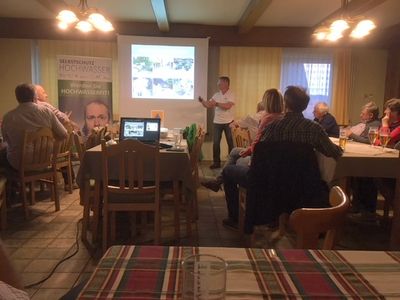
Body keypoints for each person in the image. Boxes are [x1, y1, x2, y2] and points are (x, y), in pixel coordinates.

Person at [221, 86, 342, 230]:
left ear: (286, 104)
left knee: (228, 170)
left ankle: (235, 218)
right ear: (304, 106)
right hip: (301, 184)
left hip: (271, 183)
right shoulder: (314, 129)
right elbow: (333, 152)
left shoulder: (273, 128)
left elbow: (259, 152)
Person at [201, 88, 283, 192]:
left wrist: (248, 150)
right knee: (235, 151)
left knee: (231, 166)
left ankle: (224, 190)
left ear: (267, 102)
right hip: (275, 161)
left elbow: (258, 144)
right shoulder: (283, 118)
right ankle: (217, 182)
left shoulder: (266, 119)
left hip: (259, 161)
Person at [1, 83, 67, 171]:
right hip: (45, 160)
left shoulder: (8, 117)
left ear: (17, 98)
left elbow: (6, 140)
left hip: (19, 164)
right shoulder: (47, 112)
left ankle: (17, 183)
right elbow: (64, 134)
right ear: (34, 96)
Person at [199, 76, 235, 169]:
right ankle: (216, 163)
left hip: (229, 122)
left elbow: (228, 106)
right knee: (216, 143)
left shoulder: (231, 94)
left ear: (226, 83)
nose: (218, 84)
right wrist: (202, 101)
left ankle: (232, 163)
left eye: (220, 82)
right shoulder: (216, 95)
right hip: (217, 122)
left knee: (230, 143)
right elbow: (208, 105)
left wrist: (217, 104)